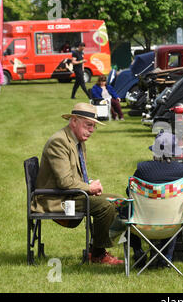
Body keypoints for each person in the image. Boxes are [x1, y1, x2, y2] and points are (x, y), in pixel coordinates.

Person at [32, 102, 124, 265]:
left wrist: (88, 184)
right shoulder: (58, 142)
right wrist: (89, 188)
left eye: (94, 126)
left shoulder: (77, 141)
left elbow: (72, 176)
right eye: (88, 125)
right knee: (105, 206)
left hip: (71, 194)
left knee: (121, 201)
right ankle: (98, 254)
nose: (91, 130)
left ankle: (98, 246)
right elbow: (65, 182)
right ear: (74, 121)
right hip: (56, 201)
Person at [128, 131, 183, 268]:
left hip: (141, 225)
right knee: (175, 211)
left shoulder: (142, 170)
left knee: (128, 210)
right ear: (174, 153)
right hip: (173, 226)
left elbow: (129, 193)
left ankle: (138, 251)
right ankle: (165, 258)